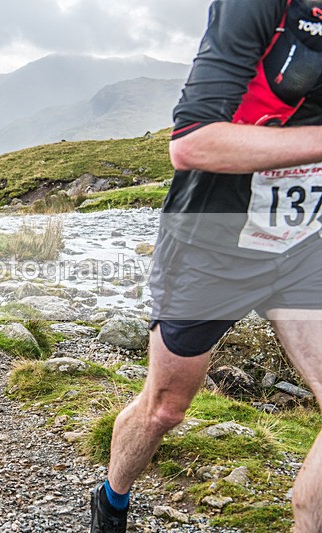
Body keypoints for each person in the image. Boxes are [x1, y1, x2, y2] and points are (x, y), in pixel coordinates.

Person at [92, 1, 322, 531]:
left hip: (305, 241)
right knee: (165, 409)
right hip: (214, 240)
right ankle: (112, 499)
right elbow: (192, 142)